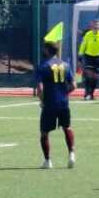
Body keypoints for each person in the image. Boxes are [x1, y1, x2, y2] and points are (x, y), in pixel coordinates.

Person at [35, 41, 76, 169]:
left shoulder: (43, 66)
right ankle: (71, 154)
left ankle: (47, 161)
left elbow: (40, 88)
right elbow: (74, 85)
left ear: (47, 50)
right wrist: (64, 93)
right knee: (67, 128)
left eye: (44, 48)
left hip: (49, 104)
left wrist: (42, 100)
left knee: (44, 133)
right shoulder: (66, 65)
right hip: (64, 103)